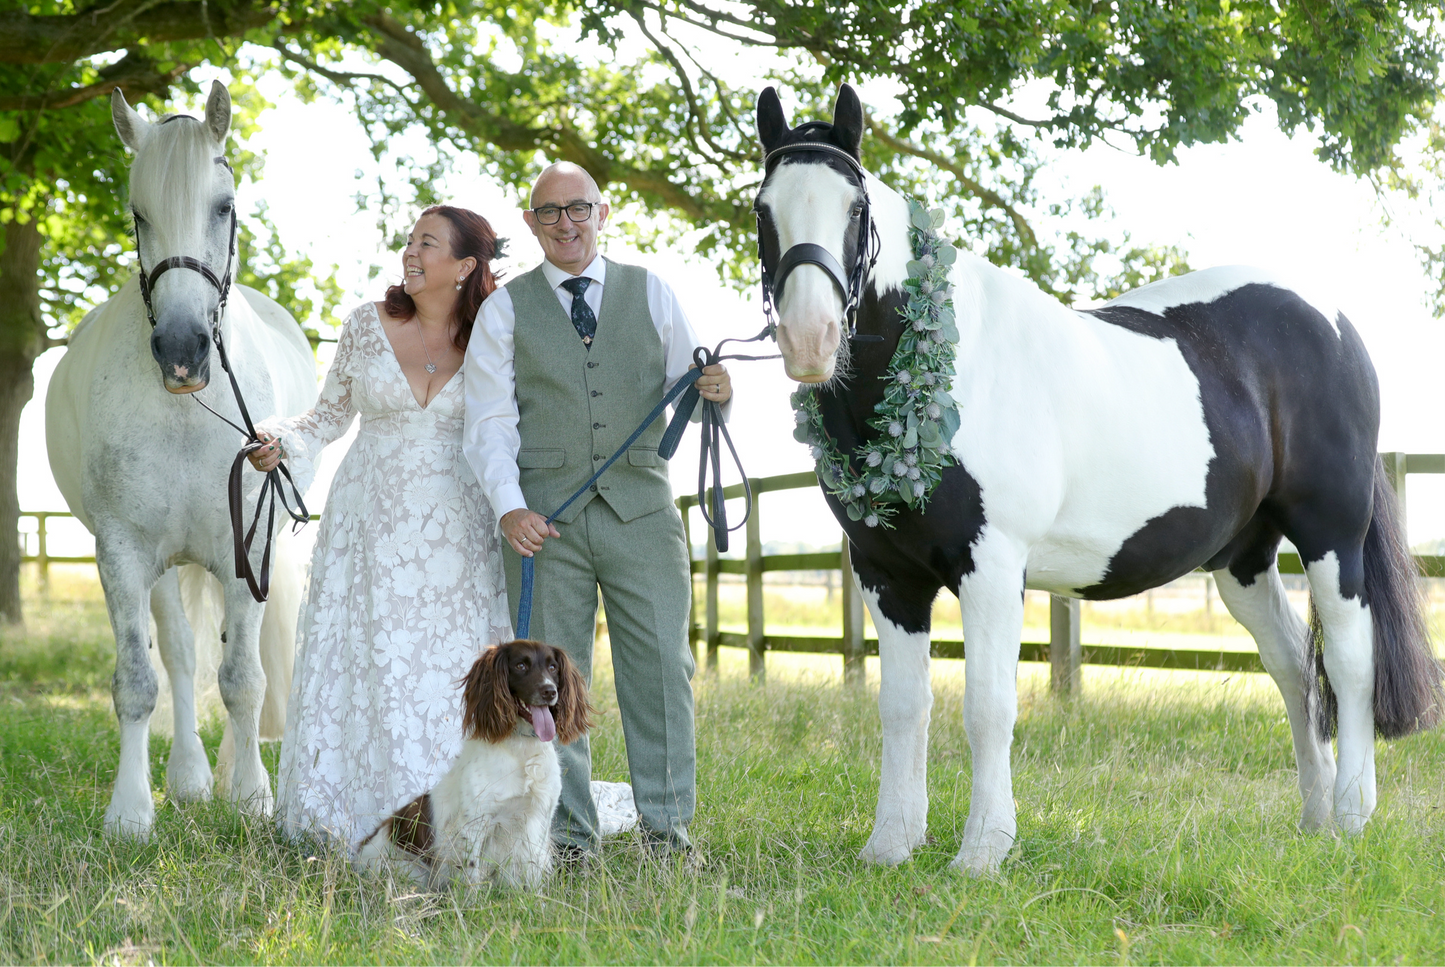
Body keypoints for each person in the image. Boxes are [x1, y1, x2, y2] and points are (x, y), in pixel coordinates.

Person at [463, 162, 732, 859]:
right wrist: (508, 508)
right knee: (548, 685)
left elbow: (693, 388)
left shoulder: (652, 292)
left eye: (577, 208)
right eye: (549, 213)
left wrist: (718, 391)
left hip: (642, 512)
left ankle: (667, 831)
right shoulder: (505, 309)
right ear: (530, 224)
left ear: (602, 212)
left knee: (663, 669)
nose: (565, 223)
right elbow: (488, 421)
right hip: (541, 527)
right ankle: (570, 836)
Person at [249, 205, 514, 846]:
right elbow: (326, 417)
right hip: (368, 525)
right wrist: (280, 440)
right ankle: (355, 813)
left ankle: (459, 818)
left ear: (466, 266)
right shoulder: (367, 326)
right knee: (369, 659)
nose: (411, 253)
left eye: (428, 243)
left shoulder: (497, 333)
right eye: (409, 241)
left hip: (459, 530)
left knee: (450, 666)